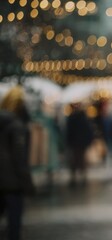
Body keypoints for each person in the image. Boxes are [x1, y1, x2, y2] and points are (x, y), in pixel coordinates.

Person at [0, 86, 35, 240]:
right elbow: (20, 159)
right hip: (12, 184)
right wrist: (28, 185)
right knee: (14, 225)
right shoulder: (17, 126)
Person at [65, 102, 94, 186]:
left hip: (76, 143)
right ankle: (80, 177)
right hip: (79, 143)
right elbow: (88, 131)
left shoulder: (74, 118)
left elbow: (69, 132)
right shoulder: (83, 118)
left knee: (76, 160)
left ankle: (76, 178)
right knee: (79, 160)